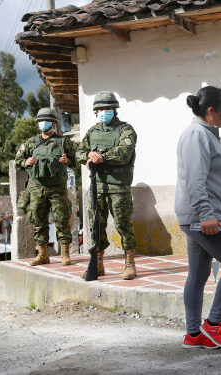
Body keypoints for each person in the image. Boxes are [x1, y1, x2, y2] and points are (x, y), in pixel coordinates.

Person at [175, 86, 221, 349]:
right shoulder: (197, 135)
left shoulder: (205, 133)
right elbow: (195, 180)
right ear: (211, 111)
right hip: (202, 217)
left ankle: (194, 334)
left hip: (198, 216)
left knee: (197, 276)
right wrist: (207, 214)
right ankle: (214, 325)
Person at [78, 91, 138, 280]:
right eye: (100, 109)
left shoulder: (126, 130)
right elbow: (79, 151)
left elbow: (124, 152)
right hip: (97, 186)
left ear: (114, 109)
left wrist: (100, 156)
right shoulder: (92, 132)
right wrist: (88, 155)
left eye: (107, 108)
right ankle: (98, 263)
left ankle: (129, 263)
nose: (104, 111)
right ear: (96, 111)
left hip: (118, 187)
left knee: (123, 224)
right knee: (96, 226)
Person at [16, 107, 77, 266]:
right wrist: (25, 162)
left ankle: (65, 254)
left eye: (47, 121)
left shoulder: (64, 142)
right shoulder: (31, 142)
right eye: (41, 121)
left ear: (55, 124)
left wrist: (68, 161)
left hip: (57, 188)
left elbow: (77, 158)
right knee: (38, 220)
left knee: (62, 219)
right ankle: (42, 254)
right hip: (36, 187)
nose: (44, 124)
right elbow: (18, 160)